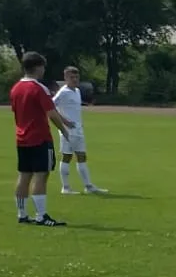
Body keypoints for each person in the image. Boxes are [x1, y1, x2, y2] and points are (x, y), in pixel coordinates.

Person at [10, 51, 72, 226]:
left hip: (22, 138)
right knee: (41, 175)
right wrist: (64, 131)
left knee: (24, 175)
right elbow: (51, 113)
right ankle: (41, 215)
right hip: (39, 138)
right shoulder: (38, 88)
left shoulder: (16, 88)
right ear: (37, 67)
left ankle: (22, 214)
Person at [53, 65, 105, 194]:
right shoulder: (63, 92)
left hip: (78, 129)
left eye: (76, 77)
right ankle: (66, 187)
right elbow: (51, 106)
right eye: (72, 77)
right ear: (66, 78)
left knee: (82, 156)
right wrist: (64, 121)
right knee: (67, 156)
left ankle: (88, 186)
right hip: (68, 130)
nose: (75, 79)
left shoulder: (77, 90)